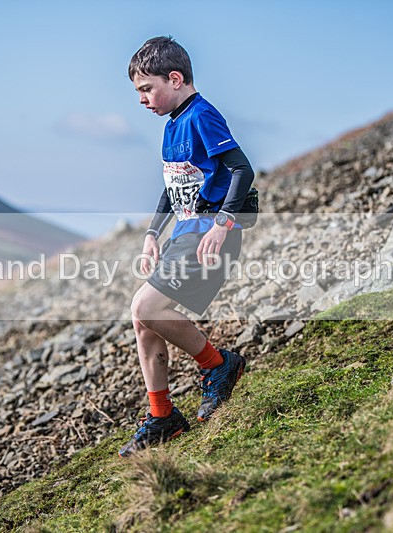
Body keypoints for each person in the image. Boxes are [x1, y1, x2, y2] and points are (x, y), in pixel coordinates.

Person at [119, 36, 255, 457]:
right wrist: (151, 235)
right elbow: (173, 186)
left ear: (175, 79)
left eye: (147, 88)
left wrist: (223, 224)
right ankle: (163, 416)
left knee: (145, 307)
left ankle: (219, 365)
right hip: (184, 235)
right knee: (144, 320)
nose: (141, 99)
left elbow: (242, 169)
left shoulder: (201, 115)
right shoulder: (171, 125)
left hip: (208, 235)